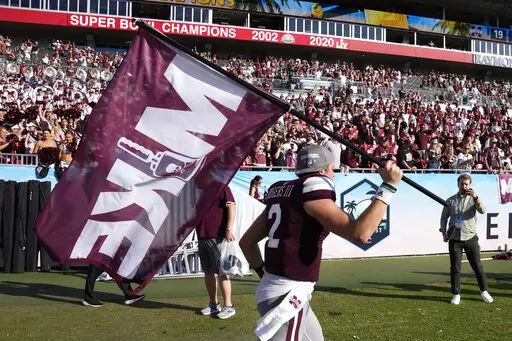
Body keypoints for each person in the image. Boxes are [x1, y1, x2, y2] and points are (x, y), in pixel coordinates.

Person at [240, 145, 402, 340]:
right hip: (287, 295)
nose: (333, 174)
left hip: (282, 290)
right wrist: (389, 186)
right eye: (332, 169)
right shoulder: (312, 188)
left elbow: (247, 242)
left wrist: (264, 274)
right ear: (324, 170)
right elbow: (361, 234)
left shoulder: (284, 193)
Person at [439, 174, 493, 305]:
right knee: (455, 268)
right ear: (458, 184)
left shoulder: (474, 199)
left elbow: (483, 210)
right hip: (454, 238)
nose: (464, 186)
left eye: (467, 184)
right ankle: (456, 294)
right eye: (462, 184)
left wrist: (476, 198)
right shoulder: (450, 200)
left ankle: (484, 291)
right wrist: (443, 232)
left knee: (477, 266)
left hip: (470, 237)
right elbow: (444, 218)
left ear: (470, 185)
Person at [197, 186, 237, 319]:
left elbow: (231, 206)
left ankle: (229, 306)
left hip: (218, 237)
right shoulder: (199, 191)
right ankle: (214, 304)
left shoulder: (222, 187)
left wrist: (229, 229)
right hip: (202, 236)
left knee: (222, 272)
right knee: (208, 272)